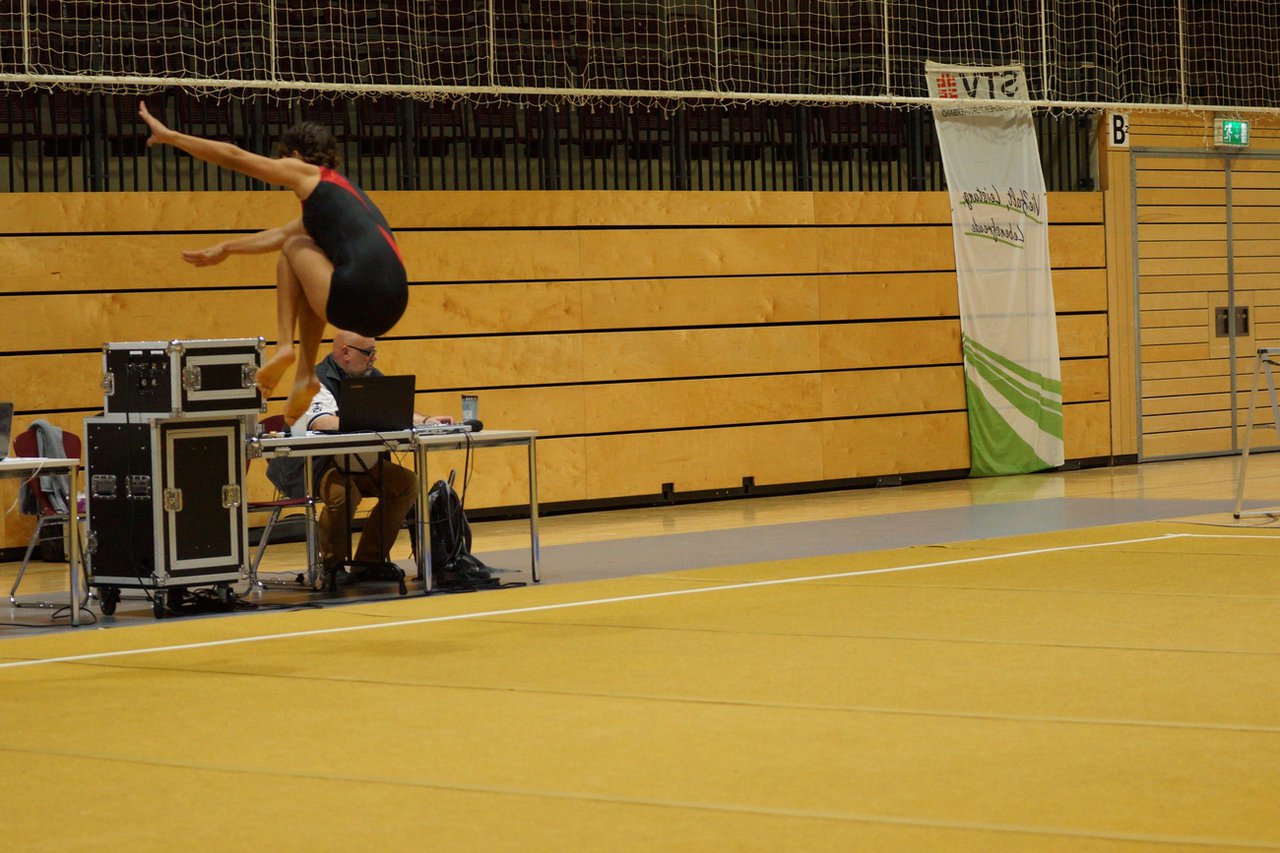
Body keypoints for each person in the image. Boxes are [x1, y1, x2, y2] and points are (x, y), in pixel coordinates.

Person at [137, 102, 409, 425]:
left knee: (292, 249)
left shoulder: (309, 173)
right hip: (392, 304)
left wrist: (171, 136)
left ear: (295, 155)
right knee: (300, 256)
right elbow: (279, 233)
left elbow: (234, 156)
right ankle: (305, 374)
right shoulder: (338, 201)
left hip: (359, 290)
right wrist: (227, 247)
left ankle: (285, 348)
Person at [270, 330, 452, 588]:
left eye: (374, 352)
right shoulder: (314, 380)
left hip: (356, 461)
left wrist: (427, 420)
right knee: (344, 493)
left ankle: (369, 562)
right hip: (311, 465)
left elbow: (395, 410)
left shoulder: (371, 377)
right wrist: (369, 420)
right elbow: (322, 422)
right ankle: (332, 567)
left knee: (407, 484)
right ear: (345, 353)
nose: (374, 358)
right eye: (368, 352)